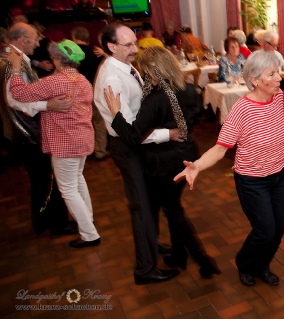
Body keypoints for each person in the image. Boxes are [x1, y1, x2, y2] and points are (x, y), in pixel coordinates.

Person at [175, 50, 284, 287]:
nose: (278, 77)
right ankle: (245, 262)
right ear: (255, 81)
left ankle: (262, 265)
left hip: (279, 175)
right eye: (272, 73)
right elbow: (220, 149)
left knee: (278, 230)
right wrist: (196, 165)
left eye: (277, 71)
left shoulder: (279, 97)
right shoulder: (242, 110)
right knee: (265, 230)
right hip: (252, 181)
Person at [103, 46, 221, 279]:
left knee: (173, 209)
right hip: (186, 155)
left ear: (153, 70)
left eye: (146, 71)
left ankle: (203, 260)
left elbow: (133, 136)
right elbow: (195, 116)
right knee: (171, 205)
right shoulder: (188, 88)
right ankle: (179, 255)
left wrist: (116, 113)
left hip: (163, 163)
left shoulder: (156, 99)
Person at [94, 23, 179, 284]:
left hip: (138, 145)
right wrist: (168, 134)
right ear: (111, 46)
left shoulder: (125, 68)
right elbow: (130, 130)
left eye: (134, 42)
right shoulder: (112, 78)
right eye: (128, 45)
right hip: (128, 147)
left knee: (149, 201)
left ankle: (151, 244)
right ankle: (145, 269)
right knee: (141, 207)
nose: (135, 49)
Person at [6, 39, 101, 248]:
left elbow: (18, 93)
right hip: (82, 138)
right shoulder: (82, 79)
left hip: (66, 141)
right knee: (77, 180)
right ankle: (87, 221)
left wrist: (14, 68)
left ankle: (89, 234)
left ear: (57, 59)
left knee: (67, 188)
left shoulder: (56, 81)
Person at [0, 22, 76, 236]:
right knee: (47, 179)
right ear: (23, 39)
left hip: (23, 133)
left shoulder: (14, 58)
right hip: (28, 134)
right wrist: (48, 105)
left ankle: (42, 222)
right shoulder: (11, 63)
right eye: (34, 38)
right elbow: (13, 99)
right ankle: (57, 224)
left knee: (40, 180)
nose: (38, 42)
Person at [71, 26, 109, 160]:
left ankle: (85, 151)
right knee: (99, 123)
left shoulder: (70, 55)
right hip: (95, 92)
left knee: (81, 124)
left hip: (76, 94)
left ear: (74, 38)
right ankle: (100, 151)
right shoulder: (96, 52)